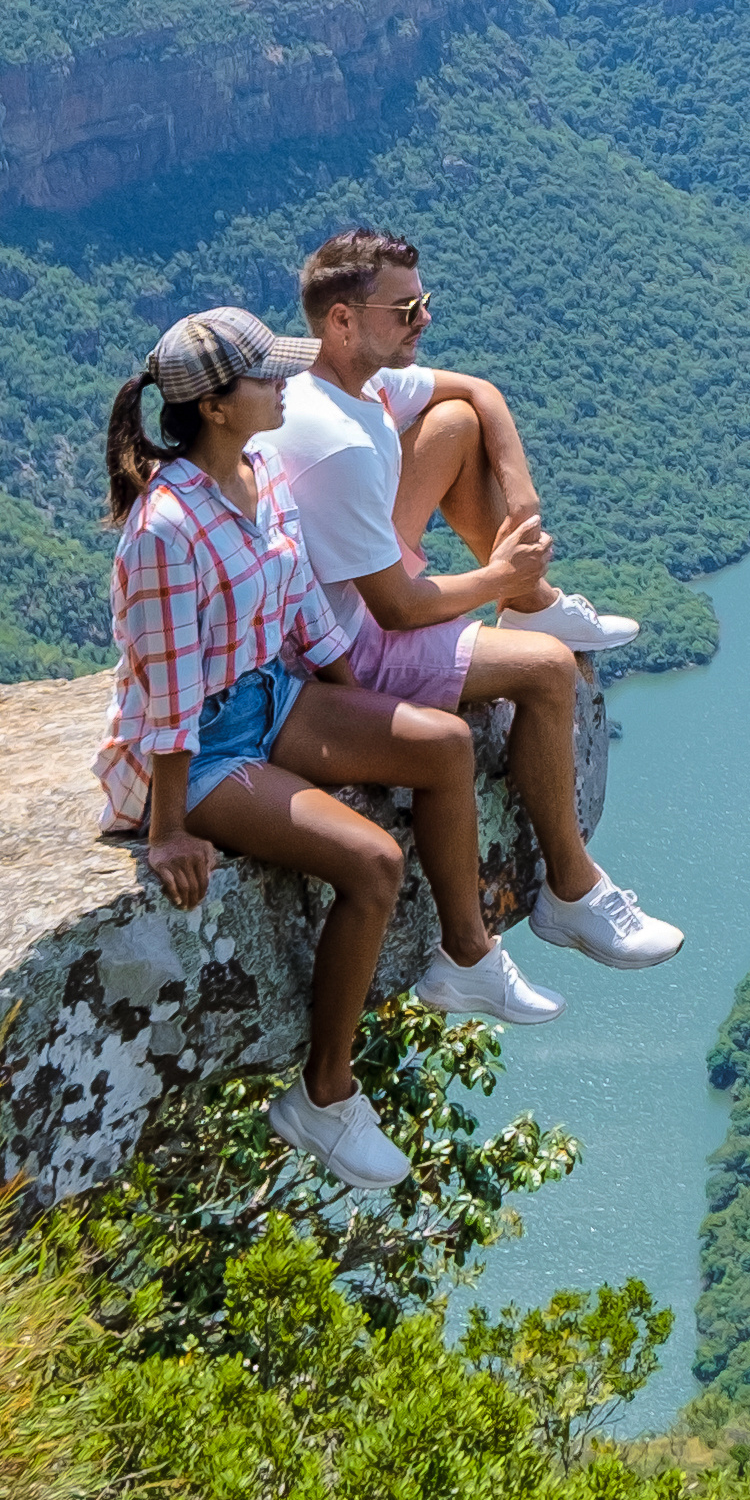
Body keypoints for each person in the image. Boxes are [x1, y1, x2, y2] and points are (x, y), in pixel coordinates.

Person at [103, 303, 568, 1192]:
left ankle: (464, 957)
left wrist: (365, 716)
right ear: (212, 404)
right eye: (265, 376)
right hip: (201, 750)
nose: (285, 384)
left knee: (440, 747)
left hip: (277, 698)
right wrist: (167, 830)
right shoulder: (166, 529)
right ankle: (324, 1093)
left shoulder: (261, 469)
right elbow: (165, 694)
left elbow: (305, 616)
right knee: (372, 862)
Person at [256, 226, 682, 971]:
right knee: (549, 672)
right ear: (343, 321)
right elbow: (398, 609)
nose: (424, 320)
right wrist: (499, 577)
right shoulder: (339, 441)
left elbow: (477, 391)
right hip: (341, 640)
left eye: (425, 301)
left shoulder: (352, 381)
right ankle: (571, 893)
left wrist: (518, 488)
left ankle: (533, 601)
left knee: (454, 423)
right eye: (405, 309)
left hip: (355, 590)